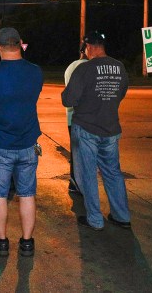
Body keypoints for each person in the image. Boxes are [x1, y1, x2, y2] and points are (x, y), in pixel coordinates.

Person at [0, 27, 43, 257]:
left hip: (0, 144)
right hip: (27, 143)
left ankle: (2, 242)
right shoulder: (36, 72)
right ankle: (27, 243)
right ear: (20, 44)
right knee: (27, 193)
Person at [61, 31, 131, 231]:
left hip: (87, 128)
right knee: (113, 173)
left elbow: (69, 100)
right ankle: (122, 216)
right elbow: (122, 92)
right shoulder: (119, 67)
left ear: (88, 47)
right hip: (110, 128)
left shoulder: (85, 69)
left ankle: (95, 219)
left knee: (88, 174)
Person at [63, 43, 88, 195]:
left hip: (71, 117)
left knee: (75, 151)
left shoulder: (70, 67)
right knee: (86, 153)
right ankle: (82, 183)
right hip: (86, 118)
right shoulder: (90, 67)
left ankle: (74, 182)